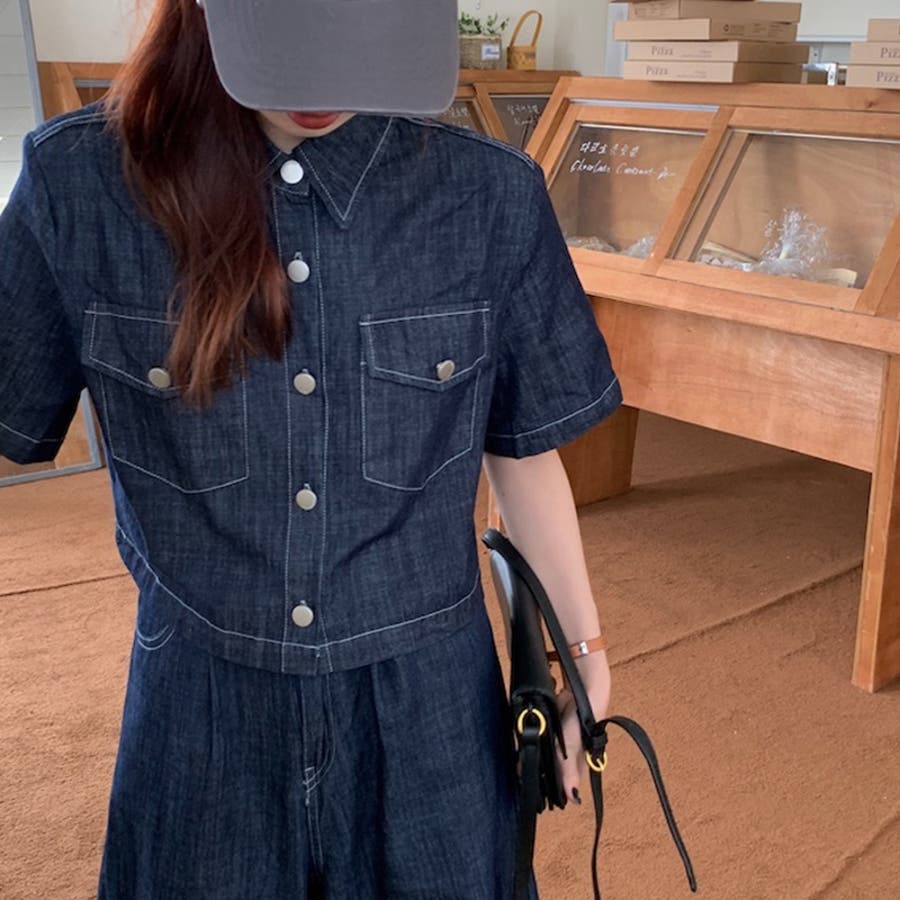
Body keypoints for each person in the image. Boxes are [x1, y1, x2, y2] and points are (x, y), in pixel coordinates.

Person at [0, 0, 622, 896]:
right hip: (200, 710)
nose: (324, 86)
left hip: (429, 704)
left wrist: (585, 658)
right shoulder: (80, 186)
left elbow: (520, 452)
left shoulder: (488, 196)